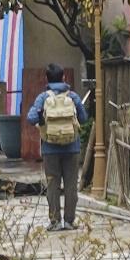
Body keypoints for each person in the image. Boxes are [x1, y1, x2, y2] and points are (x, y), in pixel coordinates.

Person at [26, 63, 87, 229]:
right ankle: (69, 221)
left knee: (52, 185)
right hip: (72, 147)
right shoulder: (73, 97)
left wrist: (42, 120)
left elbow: (31, 118)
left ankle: (55, 222)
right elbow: (83, 118)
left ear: (46, 78)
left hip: (50, 148)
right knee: (70, 185)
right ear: (64, 77)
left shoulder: (43, 98)